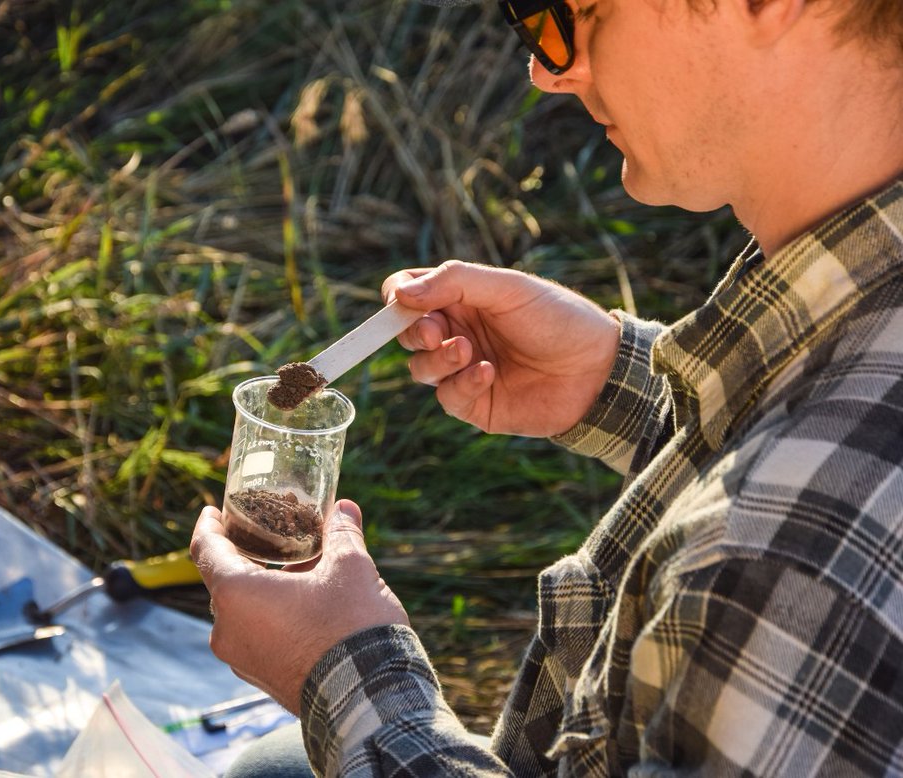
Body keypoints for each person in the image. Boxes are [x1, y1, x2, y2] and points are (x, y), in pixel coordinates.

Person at [191, 0, 903, 773]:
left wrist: (343, 671)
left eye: (570, 12)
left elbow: (789, 504)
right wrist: (617, 378)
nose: (548, 70)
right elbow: (802, 430)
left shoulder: (788, 562)